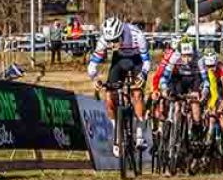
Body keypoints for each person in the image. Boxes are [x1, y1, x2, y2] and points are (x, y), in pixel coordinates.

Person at [87, 16, 150, 156]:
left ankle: (139, 135)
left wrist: (143, 75)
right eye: (110, 41)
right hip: (119, 60)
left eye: (115, 40)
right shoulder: (104, 39)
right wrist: (95, 78)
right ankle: (117, 133)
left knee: (137, 93)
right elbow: (93, 64)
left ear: (122, 33)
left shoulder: (137, 35)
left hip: (137, 60)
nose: (112, 44)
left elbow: (146, 61)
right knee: (109, 95)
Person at [159, 37, 210, 144]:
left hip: (194, 78)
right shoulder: (174, 56)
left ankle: (197, 137)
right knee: (177, 103)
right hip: (179, 78)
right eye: (184, 56)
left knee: (195, 107)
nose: (187, 59)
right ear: (180, 53)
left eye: (190, 55)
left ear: (194, 53)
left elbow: (205, 80)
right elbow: (165, 76)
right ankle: (173, 126)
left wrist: (204, 92)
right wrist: (164, 88)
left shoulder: (199, 58)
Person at [203, 49, 223, 148]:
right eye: (208, 66)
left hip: (221, 88)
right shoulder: (205, 69)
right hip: (210, 88)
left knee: (221, 116)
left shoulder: (222, 68)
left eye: (212, 66)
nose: (210, 68)